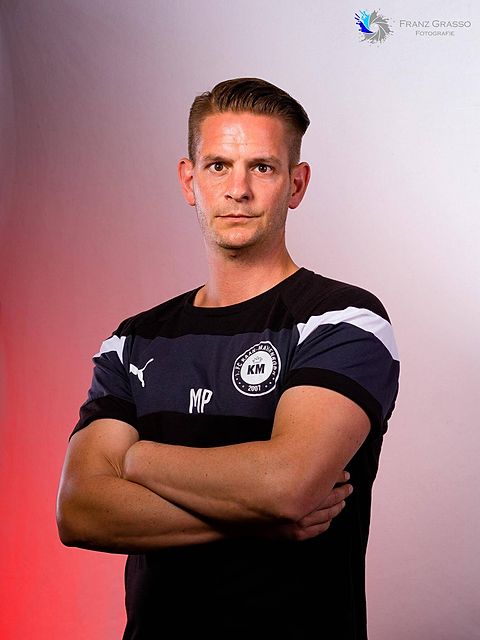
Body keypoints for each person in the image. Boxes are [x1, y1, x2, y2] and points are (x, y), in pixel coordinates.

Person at [56, 77, 399, 639]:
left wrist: (135, 459)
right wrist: (259, 520)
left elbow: (288, 486)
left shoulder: (343, 320)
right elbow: (79, 510)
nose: (238, 189)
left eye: (262, 167)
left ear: (296, 184)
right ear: (189, 180)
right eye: (218, 166)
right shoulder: (134, 341)